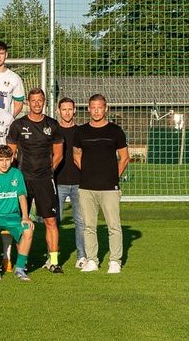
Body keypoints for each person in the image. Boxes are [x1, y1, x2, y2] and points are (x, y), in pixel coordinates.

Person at [6, 87, 65, 273]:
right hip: (23, 179)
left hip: (44, 180)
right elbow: (10, 154)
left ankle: (53, 261)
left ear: (45, 101)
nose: (37, 104)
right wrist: (17, 176)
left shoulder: (53, 125)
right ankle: (22, 262)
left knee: (51, 221)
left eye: (40, 100)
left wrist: (47, 172)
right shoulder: (17, 125)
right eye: (33, 101)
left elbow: (58, 155)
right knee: (20, 222)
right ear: (28, 103)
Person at [72, 94, 130, 274]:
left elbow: (124, 157)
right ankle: (92, 260)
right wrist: (89, 172)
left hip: (109, 188)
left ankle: (115, 261)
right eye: (93, 107)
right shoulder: (80, 132)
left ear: (105, 108)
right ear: (88, 109)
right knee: (89, 225)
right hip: (86, 187)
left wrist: (113, 176)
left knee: (114, 225)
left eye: (100, 107)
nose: (96, 110)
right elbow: (76, 155)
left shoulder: (115, 131)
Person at [0, 145, 35, 281]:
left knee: (28, 230)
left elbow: (22, 196)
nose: (4, 163)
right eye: (1, 159)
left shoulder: (17, 174)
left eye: (7, 159)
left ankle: (20, 269)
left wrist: (25, 217)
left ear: (12, 159)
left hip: (13, 216)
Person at [54, 97, 88, 269]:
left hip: (78, 183)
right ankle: (53, 256)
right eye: (64, 109)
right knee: (55, 221)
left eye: (70, 109)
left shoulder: (81, 131)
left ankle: (82, 256)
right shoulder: (53, 130)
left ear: (74, 111)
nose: (67, 112)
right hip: (58, 182)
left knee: (80, 221)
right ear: (58, 111)